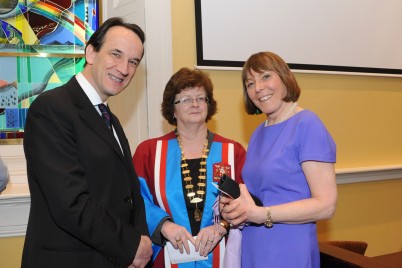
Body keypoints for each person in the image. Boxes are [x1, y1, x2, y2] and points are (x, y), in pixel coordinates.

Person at [22, 17, 153, 268]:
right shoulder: (51, 108)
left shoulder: (109, 118)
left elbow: (127, 195)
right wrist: (131, 245)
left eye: (133, 61)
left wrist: (140, 242)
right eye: (116, 54)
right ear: (91, 53)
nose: (124, 68)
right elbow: (70, 203)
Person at [220, 52, 337, 267]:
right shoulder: (257, 134)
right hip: (254, 247)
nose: (258, 88)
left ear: (284, 77)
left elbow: (326, 205)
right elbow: (262, 194)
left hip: (288, 249)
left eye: (265, 77)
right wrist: (235, 205)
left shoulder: (307, 124)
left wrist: (260, 214)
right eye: (250, 83)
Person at [132, 67, 246, 267]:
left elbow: (248, 202)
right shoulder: (149, 153)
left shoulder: (233, 152)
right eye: (185, 99)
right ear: (172, 109)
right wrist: (163, 225)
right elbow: (135, 200)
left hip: (223, 257)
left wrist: (222, 226)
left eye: (201, 98)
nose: (195, 104)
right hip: (166, 258)